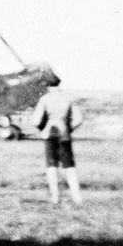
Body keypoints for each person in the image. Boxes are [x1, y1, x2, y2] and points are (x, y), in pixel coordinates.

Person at [32, 76, 85, 205]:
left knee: (51, 166)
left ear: (48, 86)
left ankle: (55, 197)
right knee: (69, 166)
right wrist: (69, 129)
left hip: (49, 134)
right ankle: (77, 197)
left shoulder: (44, 99)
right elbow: (78, 119)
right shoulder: (69, 98)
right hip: (64, 134)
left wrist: (42, 130)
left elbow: (36, 121)